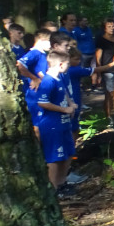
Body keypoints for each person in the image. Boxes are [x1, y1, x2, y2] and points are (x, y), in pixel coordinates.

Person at [36, 50, 79, 197]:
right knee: (55, 157)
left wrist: (71, 103)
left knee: (68, 153)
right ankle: (53, 189)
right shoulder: (48, 81)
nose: (69, 66)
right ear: (61, 64)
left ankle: (62, 183)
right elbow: (42, 102)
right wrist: (64, 109)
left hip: (64, 124)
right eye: (67, 63)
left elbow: (65, 92)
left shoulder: (58, 78)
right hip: (52, 125)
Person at [94, 18, 114, 119]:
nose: (112, 28)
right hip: (107, 69)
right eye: (109, 26)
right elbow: (98, 57)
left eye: (113, 26)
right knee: (110, 94)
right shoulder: (101, 39)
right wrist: (99, 73)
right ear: (104, 28)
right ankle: (108, 116)